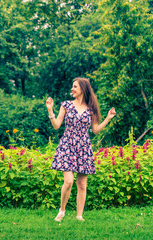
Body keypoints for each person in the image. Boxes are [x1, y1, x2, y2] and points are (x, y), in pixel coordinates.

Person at [46, 77, 116, 222]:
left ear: (83, 89)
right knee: (69, 181)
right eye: (72, 86)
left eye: (75, 87)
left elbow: (95, 130)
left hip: (83, 147)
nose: (72, 89)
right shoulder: (66, 105)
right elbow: (57, 125)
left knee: (82, 184)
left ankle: (79, 216)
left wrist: (108, 118)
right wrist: (50, 110)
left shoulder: (91, 109)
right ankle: (62, 210)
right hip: (67, 145)